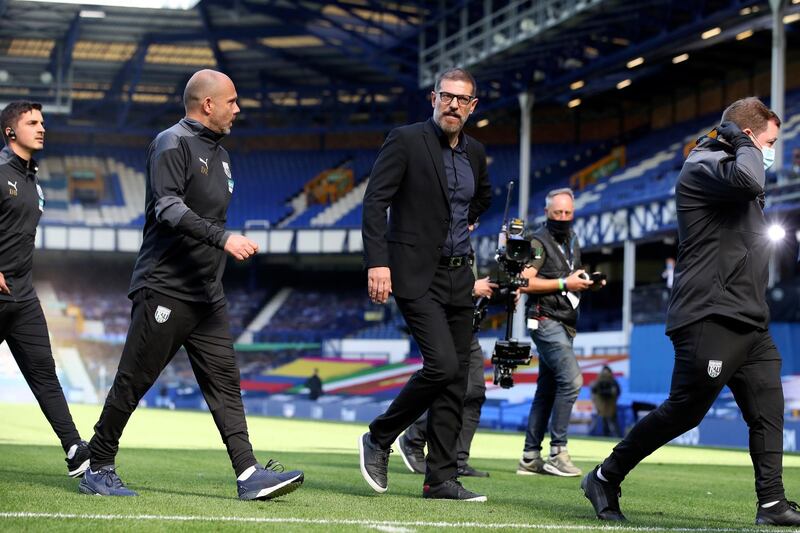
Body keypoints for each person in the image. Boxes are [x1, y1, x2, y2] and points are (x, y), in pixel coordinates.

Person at [80, 70, 304, 500]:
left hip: (207, 294)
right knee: (134, 380)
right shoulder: (172, 142)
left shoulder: (221, 155)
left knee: (226, 383)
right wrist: (224, 239)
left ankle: (248, 473)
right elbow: (167, 207)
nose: (238, 109)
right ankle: (99, 462)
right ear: (208, 104)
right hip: (165, 286)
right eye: (233, 101)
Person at [582, 96, 800, 526]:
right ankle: (604, 477)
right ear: (748, 136)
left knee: (768, 409)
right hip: (710, 314)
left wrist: (746, 144)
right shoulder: (703, 165)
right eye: (770, 142)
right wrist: (744, 142)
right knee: (685, 410)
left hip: (750, 320)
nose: (773, 152)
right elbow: (751, 180)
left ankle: (772, 503)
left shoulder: (735, 164)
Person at [360, 67, 491, 501]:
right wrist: (378, 263)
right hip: (414, 272)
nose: (454, 105)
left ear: (473, 107)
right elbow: (375, 201)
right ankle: (379, 437)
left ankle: (440, 478)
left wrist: (468, 220)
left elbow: (482, 196)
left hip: (460, 274)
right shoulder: (406, 139)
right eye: (447, 97)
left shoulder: (476, 153)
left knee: (457, 379)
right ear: (433, 98)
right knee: (443, 367)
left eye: (462, 99)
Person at [0, 101, 90, 478]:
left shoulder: (32, 178)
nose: (41, 127)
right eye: (32, 122)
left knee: (44, 373)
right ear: (10, 131)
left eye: (43, 122)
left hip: (23, 297)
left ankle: (75, 450)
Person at [515, 188, 605, 478]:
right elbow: (524, 282)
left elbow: (571, 276)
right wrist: (565, 284)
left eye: (567, 213)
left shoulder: (573, 239)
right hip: (545, 319)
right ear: (547, 213)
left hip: (565, 321)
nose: (563, 218)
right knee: (572, 380)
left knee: (547, 389)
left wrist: (586, 283)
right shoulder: (538, 242)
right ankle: (558, 451)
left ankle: (530, 457)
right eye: (558, 213)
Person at [396, 276, 498, 479]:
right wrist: (470, 288)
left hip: (468, 323)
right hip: (444, 322)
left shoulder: (467, 248)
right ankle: (413, 438)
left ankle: (458, 461)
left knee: (475, 392)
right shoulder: (444, 245)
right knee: (457, 390)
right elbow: (432, 279)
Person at [590, 366, 621, 437]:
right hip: (601, 405)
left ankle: (618, 436)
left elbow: (617, 392)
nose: (606, 375)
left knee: (613, 422)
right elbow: (594, 391)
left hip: (611, 405)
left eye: (607, 373)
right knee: (603, 422)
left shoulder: (613, 382)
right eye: (604, 373)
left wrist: (611, 394)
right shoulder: (598, 382)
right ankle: (604, 436)